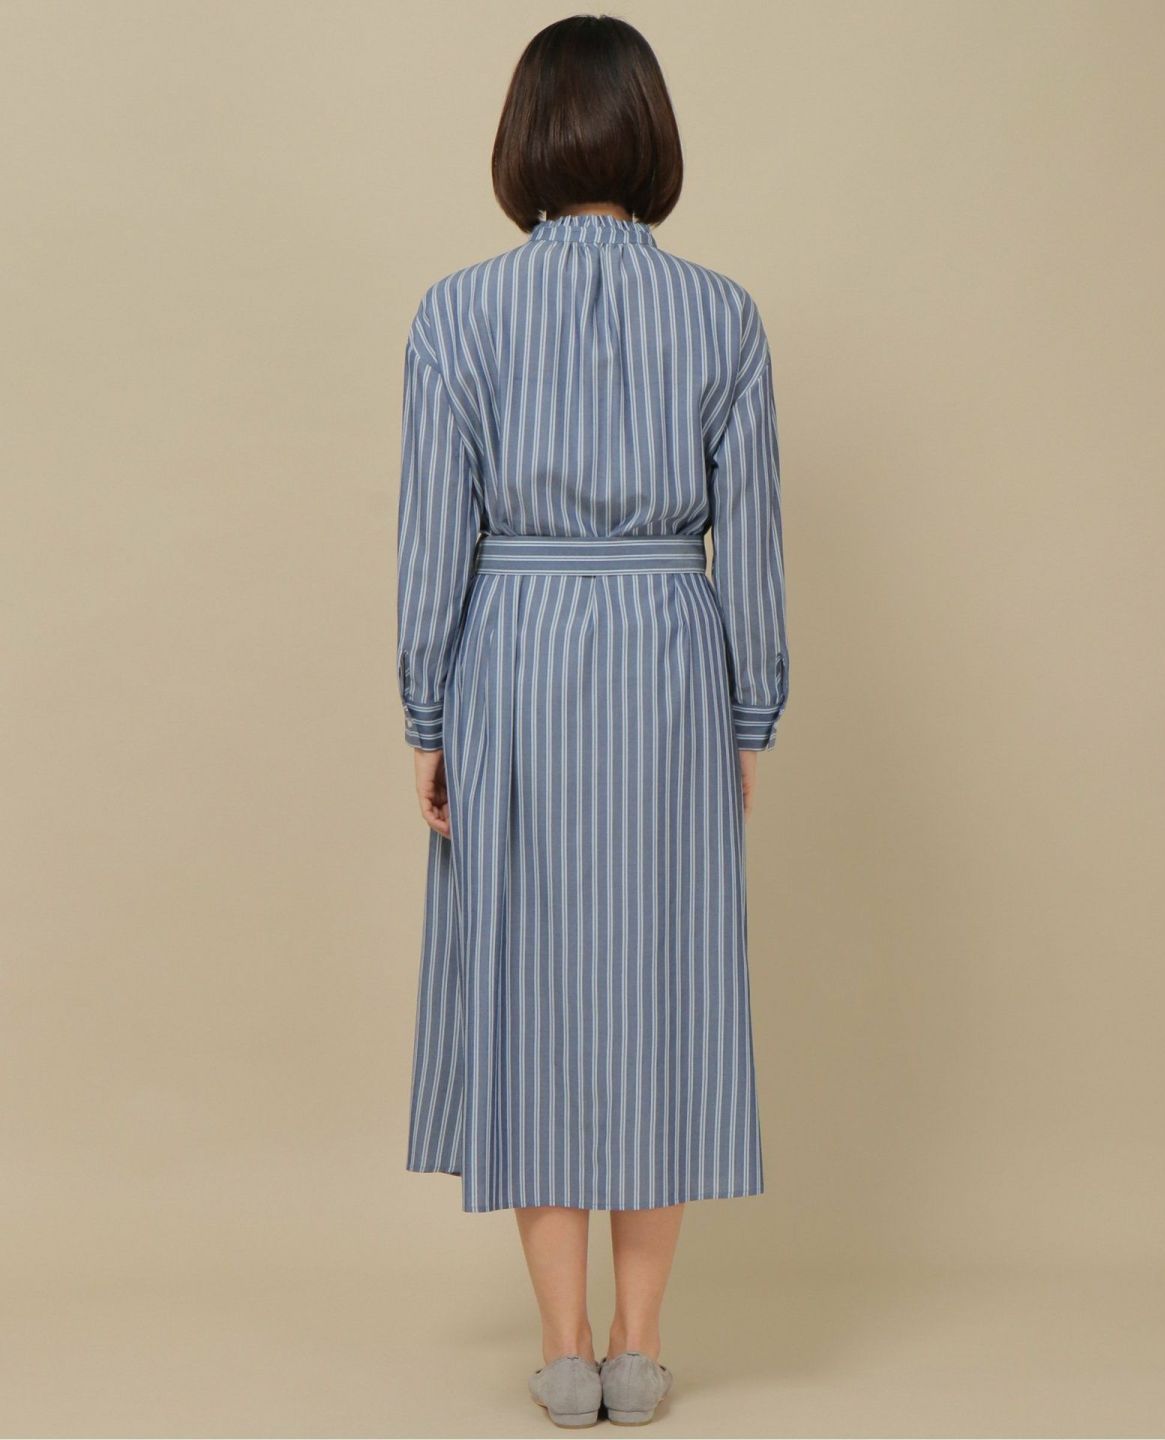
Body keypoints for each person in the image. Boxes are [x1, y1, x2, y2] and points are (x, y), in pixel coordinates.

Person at [395, 14, 789, 1427]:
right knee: (663, 984)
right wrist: (749, 714)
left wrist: (425, 710)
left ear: (524, 141)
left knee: (527, 983)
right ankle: (640, 1342)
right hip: (671, 658)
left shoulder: (458, 312)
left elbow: (431, 535)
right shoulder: (723, 315)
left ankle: (561, 1351)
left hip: (513, 654)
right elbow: (752, 544)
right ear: (650, 136)